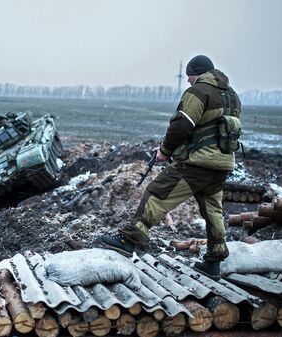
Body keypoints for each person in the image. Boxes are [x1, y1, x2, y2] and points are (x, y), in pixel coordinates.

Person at [99, 55, 242, 278]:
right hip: (222, 164)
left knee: (157, 193)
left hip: (197, 163)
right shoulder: (233, 97)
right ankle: (214, 260)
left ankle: (128, 240)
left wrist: (165, 151)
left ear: (198, 73)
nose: (187, 81)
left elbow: (181, 125)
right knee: (213, 211)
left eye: (189, 76)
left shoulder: (198, 92)